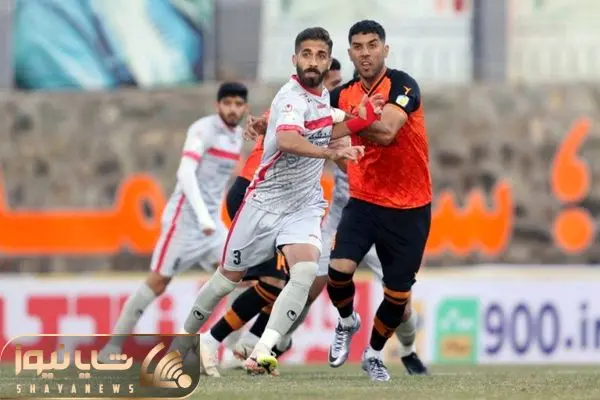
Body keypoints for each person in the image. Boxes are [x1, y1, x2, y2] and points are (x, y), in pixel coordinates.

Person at [171, 26, 381, 376]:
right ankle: (184, 342)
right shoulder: (290, 98)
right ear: (294, 59)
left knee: (304, 271)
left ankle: (261, 350)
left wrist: (364, 118)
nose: (312, 61)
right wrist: (331, 153)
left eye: (320, 56)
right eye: (306, 54)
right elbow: (287, 140)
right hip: (263, 203)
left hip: (303, 206)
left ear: (328, 61)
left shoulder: (321, 98)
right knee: (226, 279)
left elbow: (327, 125)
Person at [200, 58, 346, 375]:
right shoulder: (298, 104)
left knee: (279, 283)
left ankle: (248, 347)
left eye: (338, 84)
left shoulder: (320, 109)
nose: (338, 90)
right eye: (333, 84)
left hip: (278, 203)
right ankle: (216, 342)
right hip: (256, 196)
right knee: (273, 281)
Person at [98, 82, 249, 360]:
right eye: (227, 103)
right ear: (217, 105)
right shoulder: (203, 129)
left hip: (212, 227)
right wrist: (202, 216)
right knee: (157, 282)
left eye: (238, 104)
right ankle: (112, 347)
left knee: (239, 278)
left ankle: (230, 352)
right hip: (185, 222)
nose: (232, 109)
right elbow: (185, 173)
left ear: (245, 108)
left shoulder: (237, 137)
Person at [326, 20, 432, 382]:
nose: (366, 53)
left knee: (398, 296)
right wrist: (269, 123)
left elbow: (386, 132)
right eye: (358, 47)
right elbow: (310, 121)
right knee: (337, 271)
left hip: (410, 206)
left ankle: (373, 354)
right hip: (365, 201)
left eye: (373, 45)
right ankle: (346, 321)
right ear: (350, 53)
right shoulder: (341, 95)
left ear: (385, 49)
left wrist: (352, 121)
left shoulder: (403, 85)